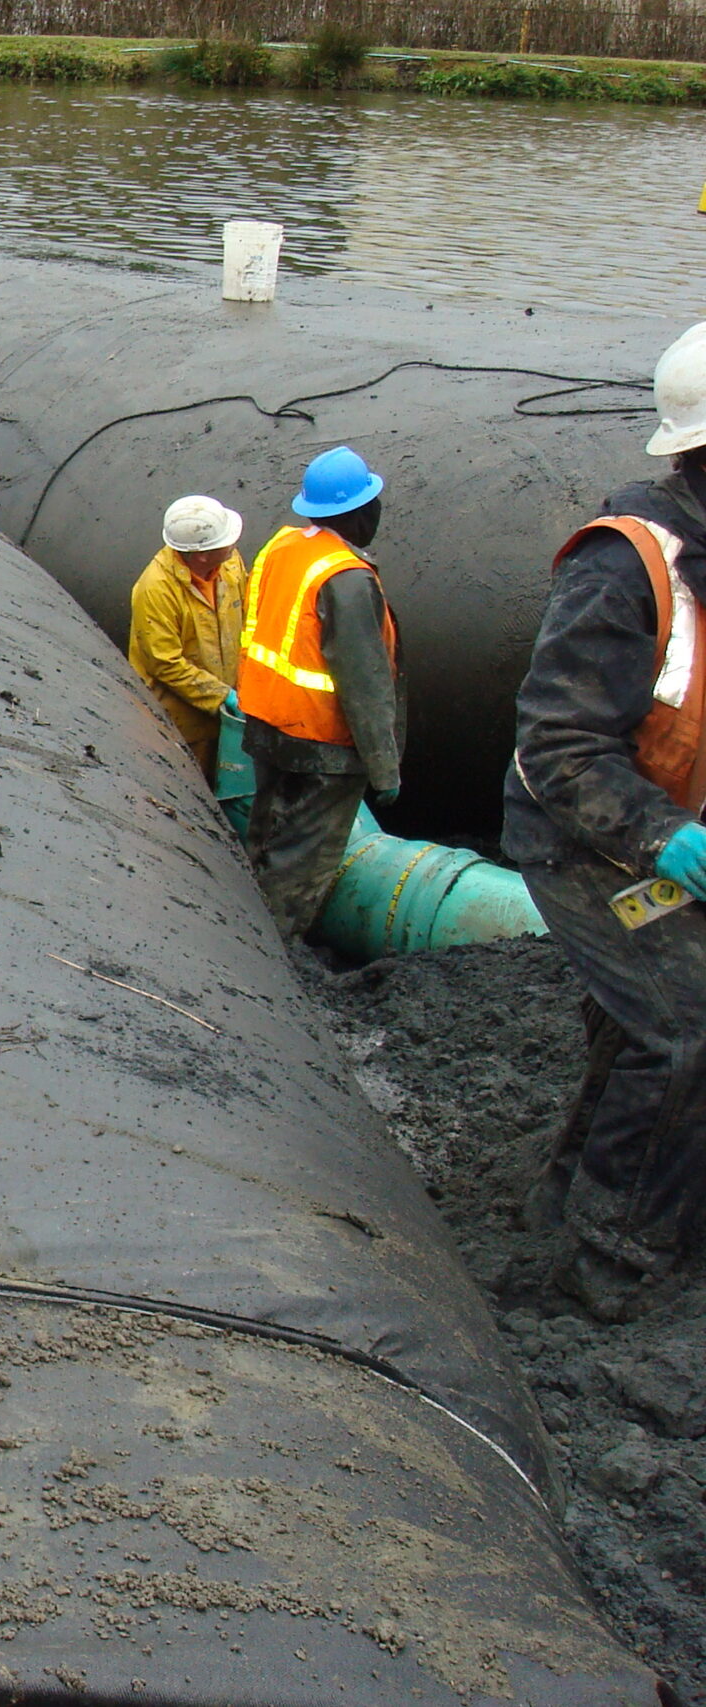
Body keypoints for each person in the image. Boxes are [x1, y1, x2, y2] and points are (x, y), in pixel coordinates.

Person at [506, 320, 706, 1320]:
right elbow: (560, 748)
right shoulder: (624, 566)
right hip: (580, 835)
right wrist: (667, 839)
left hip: (661, 821)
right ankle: (609, 1261)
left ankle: (566, 1191)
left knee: (644, 1015)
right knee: (683, 1027)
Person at [236, 446, 403, 939]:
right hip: (321, 746)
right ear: (355, 513)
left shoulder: (283, 548)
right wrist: (384, 766)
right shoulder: (345, 578)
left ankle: (244, 926)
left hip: (266, 723)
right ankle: (276, 953)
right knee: (302, 863)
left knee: (267, 837)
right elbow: (365, 681)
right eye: (372, 503)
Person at [127, 495, 246, 778]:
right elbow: (164, 663)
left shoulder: (230, 565)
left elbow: (249, 617)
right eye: (225, 540)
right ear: (202, 554)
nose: (233, 543)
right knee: (195, 785)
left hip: (229, 714)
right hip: (182, 722)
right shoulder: (156, 589)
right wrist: (223, 696)